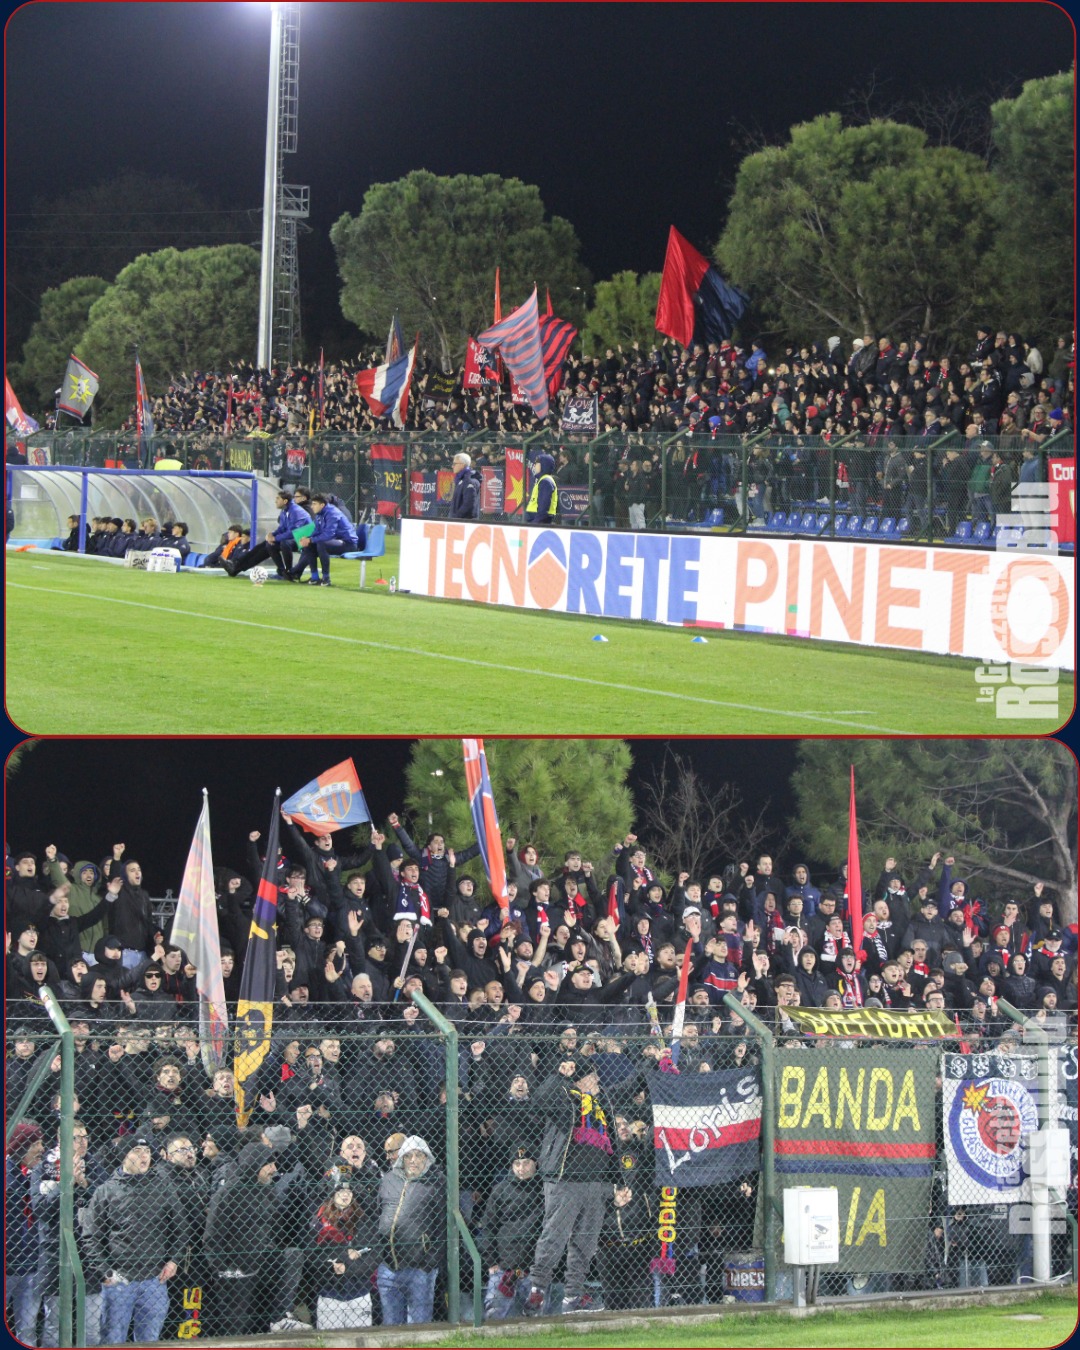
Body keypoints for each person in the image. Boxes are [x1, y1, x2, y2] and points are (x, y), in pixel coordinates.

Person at [524, 1058, 617, 1315]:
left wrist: (650, 1062)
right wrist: (559, 1075)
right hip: (565, 1181)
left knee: (585, 1243)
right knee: (554, 1237)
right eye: (593, 1077)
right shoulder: (566, 1099)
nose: (598, 1081)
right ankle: (538, 1291)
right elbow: (540, 1098)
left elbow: (630, 1086)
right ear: (581, 1080)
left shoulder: (601, 1105)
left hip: (595, 1183)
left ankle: (574, 1296)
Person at [82, 1134, 187, 1345]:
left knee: (150, 1340)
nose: (144, 1156)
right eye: (137, 1151)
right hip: (120, 1280)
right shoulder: (105, 1191)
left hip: (155, 1279)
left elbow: (181, 1228)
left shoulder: (162, 1187)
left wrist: (174, 1260)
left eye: (147, 1151)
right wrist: (106, 1272)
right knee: (113, 1340)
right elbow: (91, 1237)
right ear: (124, 1156)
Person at [376, 1135, 446, 1325]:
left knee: (419, 1328)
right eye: (408, 1156)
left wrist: (429, 1263)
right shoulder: (388, 1180)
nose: (413, 1160)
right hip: (388, 1268)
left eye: (419, 1156)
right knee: (391, 1328)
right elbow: (377, 1213)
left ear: (427, 1158)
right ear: (402, 1158)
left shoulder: (437, 1183)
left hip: (420, 1269)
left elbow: (443, 1227)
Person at [6, 1121, 46, 1344]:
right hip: (9, 1264)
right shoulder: (10, 1177)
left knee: (28, 1329)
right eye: (36, 1144)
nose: (42, 1149)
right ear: (20, 1146)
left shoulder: (38, 1174)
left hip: (31, 1264)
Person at [223, 488, 311, 579]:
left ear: (285, 501)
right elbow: (282, 528)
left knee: (282, 543)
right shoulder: (286, 510)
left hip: (304, 540)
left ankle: (288, 571)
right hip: (293, 538)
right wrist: (272, 534)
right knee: (267, 544)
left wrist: (275, 538)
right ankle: (236, 566)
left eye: (277, 498)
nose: (275, 501)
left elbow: (294, 532)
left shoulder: (298, 510)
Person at [289, 493, 359, 586]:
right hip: (336, 541)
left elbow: (328, 534)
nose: (312, 506)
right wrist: (307, 539)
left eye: (314, 504)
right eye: (312, 504)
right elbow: (316, 530)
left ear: (322, 505)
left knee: (321, 544)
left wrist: (310, 540)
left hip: (349, 544)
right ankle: (314, 578)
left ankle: (326, 578)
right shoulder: (319, 513)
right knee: (308, 544)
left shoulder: (332, 513)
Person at [524, 453, 558, 524]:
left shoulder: (546, 481)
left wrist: (536, 522)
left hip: (539, 520)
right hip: (536, 518)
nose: (535, 465)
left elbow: (543, 504)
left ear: (543, 465)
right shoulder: (542, 479)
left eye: (537, 463)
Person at [449, 452, 482, 519]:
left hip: (465, 524)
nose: (452, 466)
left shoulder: (470, 481)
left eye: (454, 464)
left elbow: (469, 504)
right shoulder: (461, 480)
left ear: (462, 465)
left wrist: (456, 517)